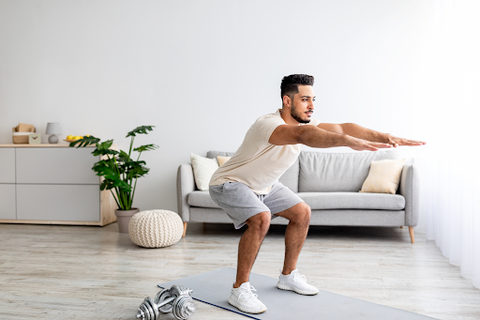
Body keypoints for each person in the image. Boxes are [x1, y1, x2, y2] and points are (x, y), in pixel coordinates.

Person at [208, 74, 425, 314]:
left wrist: (384, 137)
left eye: (313, 99)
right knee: (261, 218)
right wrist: (346, 142)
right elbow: (303, 136)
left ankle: (288, 276)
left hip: (265, 185)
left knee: (302, 213)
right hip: (230, 182)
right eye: (304, 99)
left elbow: (344, 127)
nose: (311, 106)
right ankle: (239, 289)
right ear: (287, 101)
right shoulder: (268, 125)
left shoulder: (305, 124)